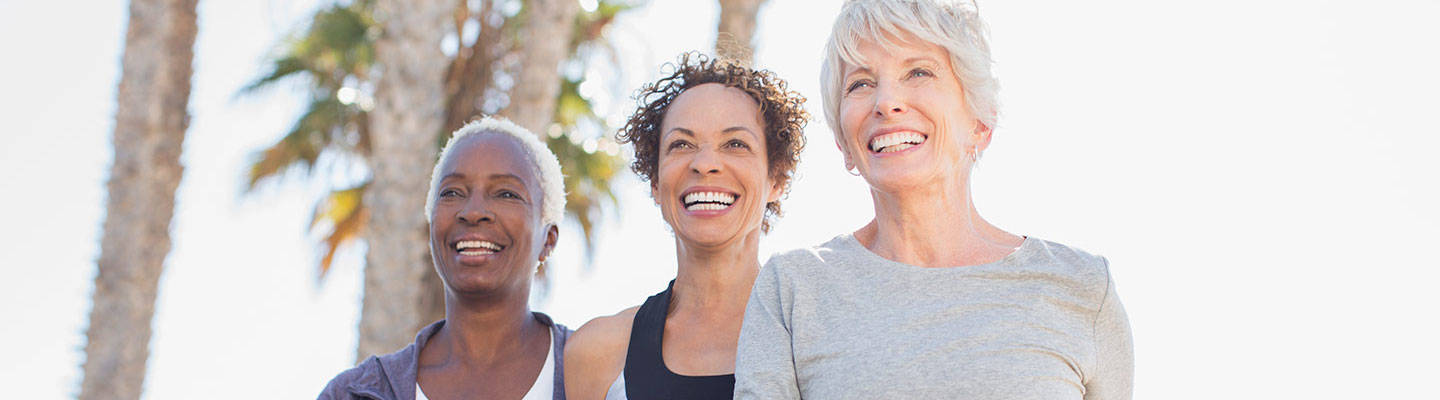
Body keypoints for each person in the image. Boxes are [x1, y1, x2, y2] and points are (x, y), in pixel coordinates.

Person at [734, 0, 1134, 399]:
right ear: (843, 142)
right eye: (860, 83)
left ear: (981, 122)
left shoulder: (1081, 286)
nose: (886, 102)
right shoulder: (792, 289)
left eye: (918, 72)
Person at [563, 53, 808, 400]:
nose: (705, 163)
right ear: (655, 182)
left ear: (776, 178)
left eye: (735, 144)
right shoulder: (598, 353)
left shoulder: (822, 333)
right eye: (682, 144)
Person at [319, 117, 571, 400]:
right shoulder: (358, 392)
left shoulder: (597, 378)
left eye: (506, 193)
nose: (473, 211)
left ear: (548, 239)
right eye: (452, 192)